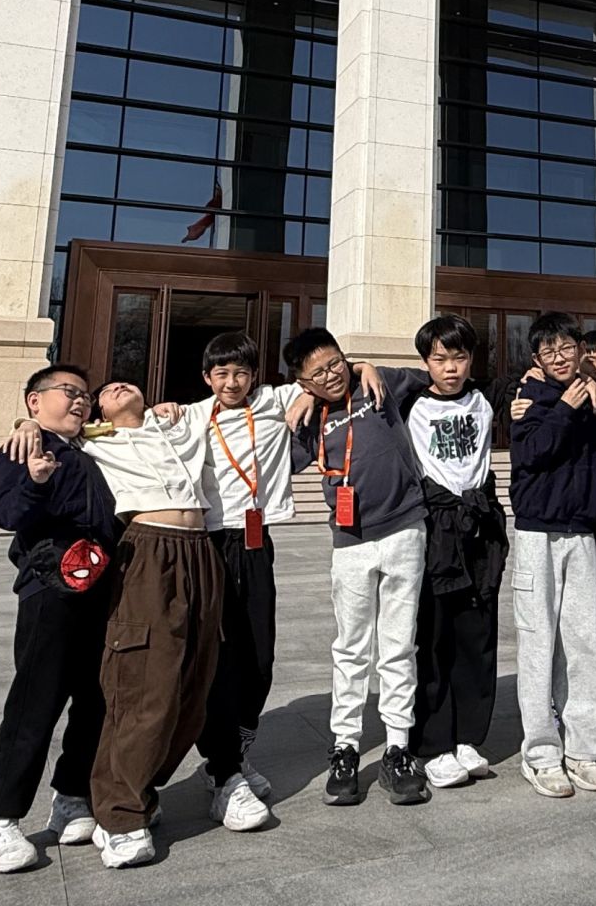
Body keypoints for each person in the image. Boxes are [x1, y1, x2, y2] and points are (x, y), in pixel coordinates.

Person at [6, 379, 225, 866]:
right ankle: (118, 814)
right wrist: (26, 424)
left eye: (127, 384)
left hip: (201, 553)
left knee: (194, 686)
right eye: (103, 391)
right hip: (148, 550)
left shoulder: (180, 425)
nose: (117, 387)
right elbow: (51, 431)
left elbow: (246, 398)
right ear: (98, 414)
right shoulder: (91, 444)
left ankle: (142, 788)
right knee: (145, 683)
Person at [0, 364, 121, 874]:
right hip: (51, 592)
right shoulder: (20, 450)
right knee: (35, 703)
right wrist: (36, 481)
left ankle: (72, 796)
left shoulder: (92, 449)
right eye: (68, 392)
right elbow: (8, 514)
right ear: (34, 401)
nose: (80, 401)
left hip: (102, 590)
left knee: (95, 699)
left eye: (85, 395)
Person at [284, 327, 432, 808]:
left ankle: (397, 748)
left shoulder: (376, 381)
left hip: (405, 528)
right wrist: (298, 407)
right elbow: (280, 458)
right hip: (351, 543)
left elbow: (428, 374)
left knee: (398, 645)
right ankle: (345, 747)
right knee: (351, 648)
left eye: (335, 363)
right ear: (303, 381)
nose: (332, 375)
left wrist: (367, 365)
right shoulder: (310, 414)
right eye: (318, 374)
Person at [373, 315, 509, 791]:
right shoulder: (409, 401)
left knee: (477, 635)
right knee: (431, 637)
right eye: (440, 359)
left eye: (459, 357)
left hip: (480, 529)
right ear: (425, 362)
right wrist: (363, 366)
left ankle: (469, 737)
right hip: (434, 529)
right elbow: (353, 380)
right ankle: (432, 745)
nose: (450, 368)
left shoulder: (488, 395)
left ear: (472, 359)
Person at [180, 331, 307, 833]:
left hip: (255, 542)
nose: (231, 382)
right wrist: (27, 424)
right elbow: (122, 427)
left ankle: (235, 751)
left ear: (255, 375)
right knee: (218, 658)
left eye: (241, 373)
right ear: (207, 377)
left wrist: (359, 369)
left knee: (259, 657)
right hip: (210, 543)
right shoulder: (192, 415)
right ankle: (223, 772)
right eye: (222, 373)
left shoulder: (274, 401)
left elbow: (334, 377)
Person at [507, 311, 596, 797]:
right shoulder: (528, 398)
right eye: (548, 351)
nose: (559, 357)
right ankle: (541, 754)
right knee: (538, 644)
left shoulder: (593, 396)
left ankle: (583, 750)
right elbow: (531, 454)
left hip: (581, 532)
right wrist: (565, 409)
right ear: (536, 358)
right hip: (537, 533)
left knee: (584, 643)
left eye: (566, 347)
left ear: (580, 350)